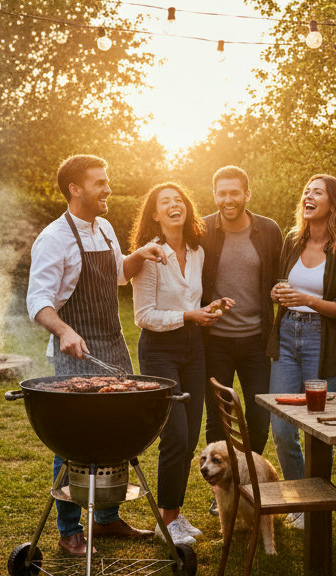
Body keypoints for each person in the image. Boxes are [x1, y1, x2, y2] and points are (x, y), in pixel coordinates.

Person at [26, 154, 163, 556]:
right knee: (72, 442)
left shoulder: (103, 227)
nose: (108, 189)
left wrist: (142, 254)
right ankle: (69, 529)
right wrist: (65, 330)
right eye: (100, 182)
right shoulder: (54, 238)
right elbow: (38, 301)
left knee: (120, 432)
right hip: (75, 352)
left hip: (112, 345)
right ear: (75, 189)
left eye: (107, 181)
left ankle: (105, 520)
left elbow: (118, 273)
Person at [129, 182, 233, 546]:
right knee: (173, 435)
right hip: (159, 348)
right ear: (155, 214)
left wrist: (211, 308)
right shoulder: (150, 255)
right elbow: (143, 316)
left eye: (179, 200)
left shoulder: (197, 251)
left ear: (187, 208)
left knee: (189, 436)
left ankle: (173, 514)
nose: (174, 205)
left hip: (193, 348)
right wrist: (190, 315)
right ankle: (166, 522)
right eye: (165, 202)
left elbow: (194, 301)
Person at [267, 174, 336, 528]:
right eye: (306, 190)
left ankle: (316, 503)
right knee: (281, 425)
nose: (308, 195)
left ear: (333, 204)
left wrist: (306, 299)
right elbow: (281, 281)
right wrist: (280, 294)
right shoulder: (293, 240)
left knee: (319, 427)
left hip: (323, 341)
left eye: (317, 192)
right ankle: (299, 497)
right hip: (288, 334)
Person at [200, 166, 282, 481]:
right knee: (218, 418)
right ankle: (220, 478)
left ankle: (250, 478)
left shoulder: (269, 230)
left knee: (259, 416)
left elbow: (277, 275)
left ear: (247, 194)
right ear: (214, 195)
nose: (228, 199)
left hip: (256, 340)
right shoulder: (203, 229)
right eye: (222, 193)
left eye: (235, 192)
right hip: (215, 340)